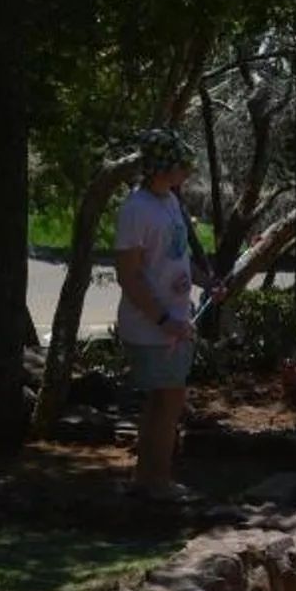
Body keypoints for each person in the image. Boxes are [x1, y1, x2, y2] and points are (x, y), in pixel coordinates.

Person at [111, 127, 210, 501]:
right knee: (167, 402)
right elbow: (129, 275)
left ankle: (148, 480)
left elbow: (177, 257)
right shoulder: (135, 210)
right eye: (180, 165)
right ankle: (157, 483)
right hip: (154, 327)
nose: (187, 171)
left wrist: (208, 281)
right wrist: (165, 321)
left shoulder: (169, 200)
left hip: (176, 323)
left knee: (164, 402)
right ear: (161, 168)